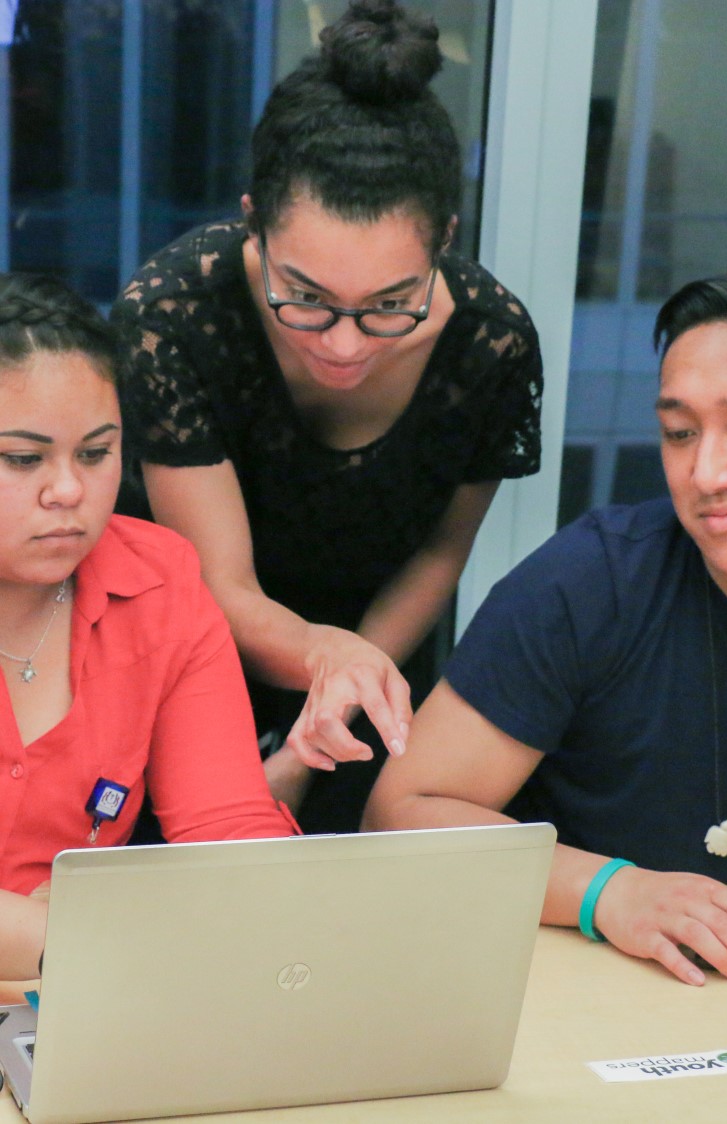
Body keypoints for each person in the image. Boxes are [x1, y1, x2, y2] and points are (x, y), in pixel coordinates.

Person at [110, 0, 543, 833]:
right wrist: (325, 662)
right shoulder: (175, 314)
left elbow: (439, 551)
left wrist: (353, 688)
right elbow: (217, 586)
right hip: (184, 663)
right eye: (305, 297)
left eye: (390, 303)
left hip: (375, 676)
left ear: (444, 241)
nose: (344, 345)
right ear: (253, 222)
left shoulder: (492, 340)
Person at [363, 262, 727, 986]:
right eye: (677, 433)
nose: (706, 474)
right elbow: (399, 816)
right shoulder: (593, 581)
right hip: (587, 993)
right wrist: (609, 891)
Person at [0, 272, 298, 981]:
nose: (69, 490)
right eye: (22, 459)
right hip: (101, 970)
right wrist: (80, 926)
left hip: (85, 1004)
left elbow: (228, 838)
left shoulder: (160, 584)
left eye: (96, 453)